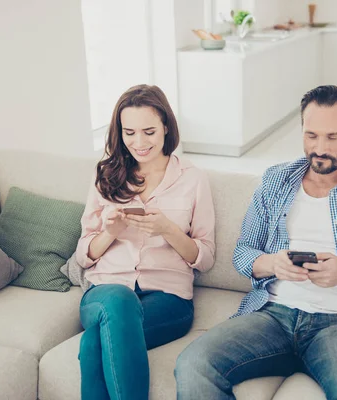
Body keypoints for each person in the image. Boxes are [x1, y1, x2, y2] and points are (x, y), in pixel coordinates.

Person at [174, 85, 337, 400]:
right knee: (193, 363)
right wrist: (271, 263)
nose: (319, 148)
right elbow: (243, 252)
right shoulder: (275, 181)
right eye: (311, 135)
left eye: (332, 137)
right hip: (273, 314)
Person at [76, 84, 215, 400]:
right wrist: (110, 231)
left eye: (149, 131)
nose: (139, 143)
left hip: (169, 299)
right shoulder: (106, 175)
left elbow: (206, 258)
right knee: (119, 300)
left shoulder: (193, 179)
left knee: (92, 343)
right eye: (129, 132)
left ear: (166, 126)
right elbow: (84, 255)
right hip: (105, 291)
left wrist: (168, 229)